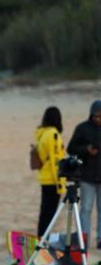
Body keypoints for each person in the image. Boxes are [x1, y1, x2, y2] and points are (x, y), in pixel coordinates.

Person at [66, 100, 101, 247]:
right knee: (85, 208)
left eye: (100, 116)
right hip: (87, 175)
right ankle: (84, 239)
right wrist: (86, 149)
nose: (98, 119)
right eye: (95, 116)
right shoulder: (82, 128)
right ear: (91, 115)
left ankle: (100, 239)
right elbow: (71, 148)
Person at [35, 107, 67, 238]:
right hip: (52, 179)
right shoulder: (53, 134)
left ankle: (41, 238)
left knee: (45, 212)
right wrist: (60, 183)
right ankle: (43, 239)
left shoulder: (42, 132)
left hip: (45, 177)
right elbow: (55, 161)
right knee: (49, 213)